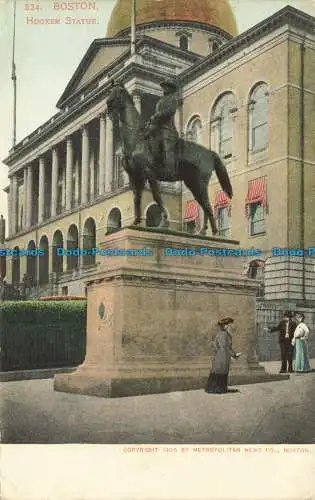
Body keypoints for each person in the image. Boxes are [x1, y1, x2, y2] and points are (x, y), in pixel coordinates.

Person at [143, 79, 180, 179]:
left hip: (168, 128)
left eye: (166, 86)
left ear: (171, 88)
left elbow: (170, 111)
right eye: (164, 86)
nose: (164, 88)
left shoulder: (173, 99)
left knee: (167, 147)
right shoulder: (160, 101)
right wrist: (151, 121)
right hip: (158, 127)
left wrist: (156, 115)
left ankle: (170, 171)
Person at [205, 317, 241, 394]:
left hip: (222, 356)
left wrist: (234, 355)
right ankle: (215, 389)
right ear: (226, 326)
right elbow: (225, 347)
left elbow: (226, 347)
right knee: (220, 371)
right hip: (221, 357)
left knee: (221, 371)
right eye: (231, 325)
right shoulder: (223, 335)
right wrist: (234, 355)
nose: (232, 327)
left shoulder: (225, 334)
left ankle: (220, 388)